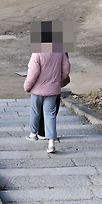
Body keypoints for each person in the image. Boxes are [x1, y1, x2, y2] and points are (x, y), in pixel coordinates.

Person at [24, 22, 71, 153]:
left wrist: (27, 86)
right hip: (53, 89)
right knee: (50, 115)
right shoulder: (60, 51)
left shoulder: (37, 52)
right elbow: (66, 70)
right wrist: (57, 80)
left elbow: (33, 73)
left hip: (37, 90)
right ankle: (51, 142)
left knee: (35, 112)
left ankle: (33, 134)